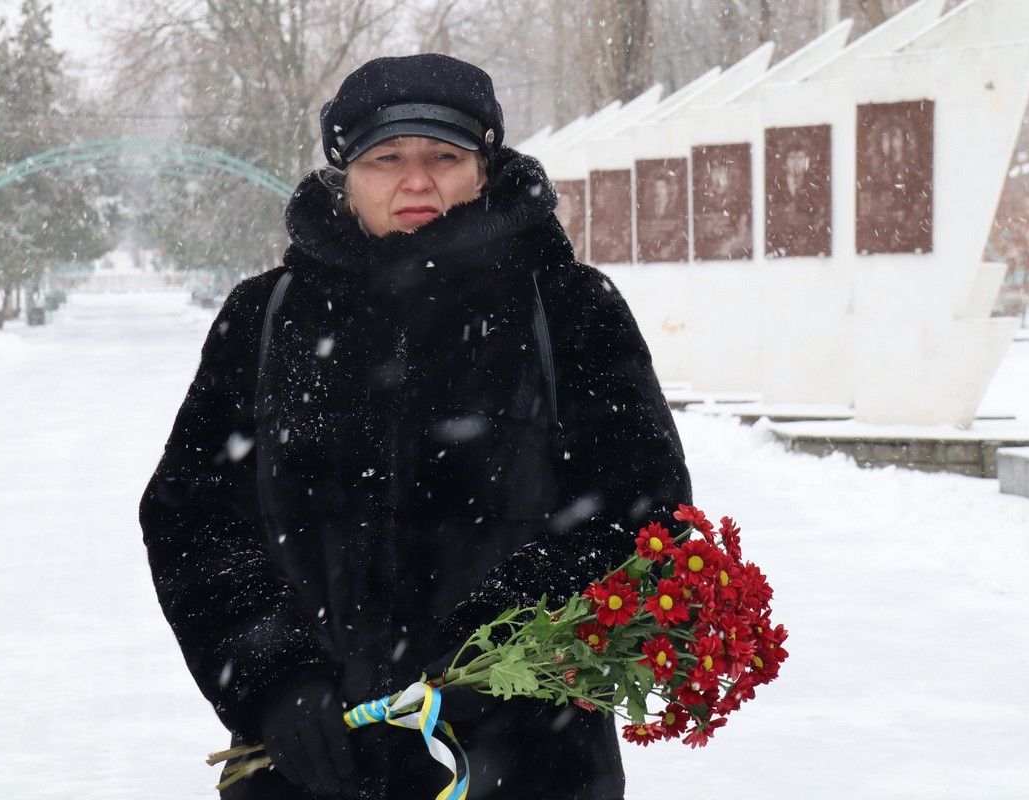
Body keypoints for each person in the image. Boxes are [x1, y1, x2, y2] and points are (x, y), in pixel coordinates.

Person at [140, 53, 691, 800]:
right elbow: (193, 518)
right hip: (312, 767)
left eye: (444, 156)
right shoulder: (267, 318)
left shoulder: (566, 309)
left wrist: (504, 645)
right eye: (386, 158)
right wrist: (274, 676)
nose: (417, 180)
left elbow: (642, 510)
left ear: (485, 167)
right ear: (346, 173)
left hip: (528, 762)